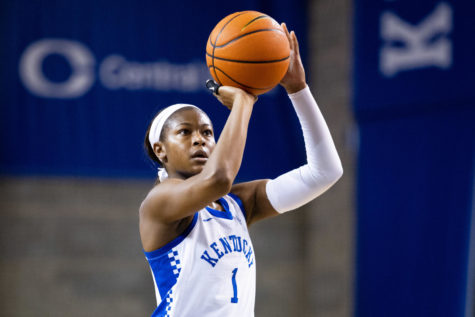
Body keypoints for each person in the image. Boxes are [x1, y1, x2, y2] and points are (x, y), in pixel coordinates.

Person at [139, 23, 343, 317]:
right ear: (160, 150)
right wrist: (243, 102)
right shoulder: (159, 203)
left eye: (208, 133)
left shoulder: (237, 204)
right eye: (184, 132)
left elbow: (325, 172)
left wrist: (298, 90)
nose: (199, 138)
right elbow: (219, 178)